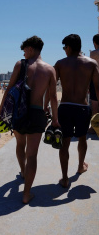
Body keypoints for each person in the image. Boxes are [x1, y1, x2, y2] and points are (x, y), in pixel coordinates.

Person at [0, 36, 60, 204]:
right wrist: (55, 120)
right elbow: (53, 97)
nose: (24, 54)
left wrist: (1, 110)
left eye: (25, 50)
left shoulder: (20, 65)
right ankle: (26, 194)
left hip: (19, 113)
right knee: (32, 156)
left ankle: (23, 172)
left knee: (19, 144)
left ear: (31, 49)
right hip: (37, 114)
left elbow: (9, 89)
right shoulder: (50, 70)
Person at [51, 34, 99, 188]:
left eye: (64, 47)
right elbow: (98, 89)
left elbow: (51, 87)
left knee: (65, 142)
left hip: (65, 106)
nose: (64, 50)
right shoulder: (91, 64)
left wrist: (48, 107)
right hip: (82, 107)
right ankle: (80, 166)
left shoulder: (60, 63)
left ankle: (65, 179)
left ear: (69, 47)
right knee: (82, 138)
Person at [88, 34, 99, 133]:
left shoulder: (93, 54)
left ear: (95, 43)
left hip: (96, 80)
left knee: (95, 104)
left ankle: (94, 128)